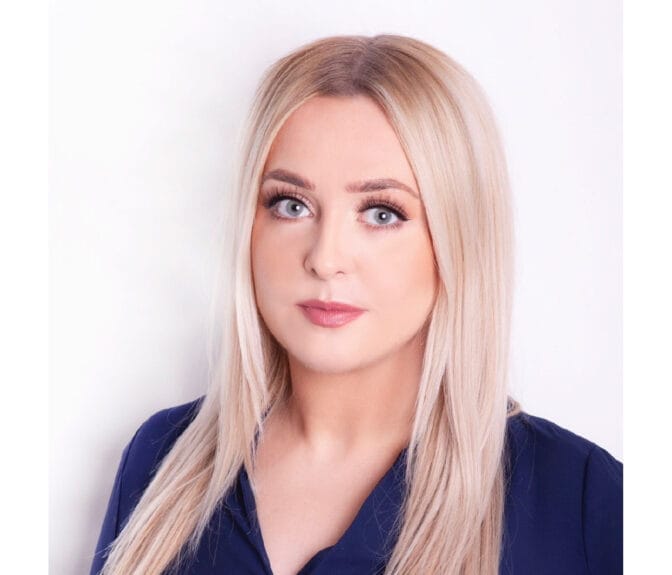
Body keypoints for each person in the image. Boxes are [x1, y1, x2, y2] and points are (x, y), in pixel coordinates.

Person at [90, 34, 623, 575]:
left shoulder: (582, 502)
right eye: (291, 205)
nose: (325, 258)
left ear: (458, 239)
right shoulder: (161, 463)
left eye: (382, 213)